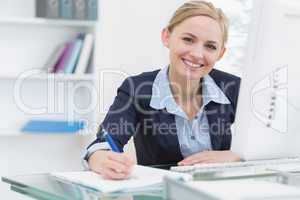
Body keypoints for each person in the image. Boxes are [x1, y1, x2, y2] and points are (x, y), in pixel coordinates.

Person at [84, 0, 241, 180]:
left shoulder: (234, 88)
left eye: (210, 46)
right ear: (167, 37)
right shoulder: (137, 89)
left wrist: (235, 156)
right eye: (188, 39)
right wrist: (103, 160)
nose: (197, 54)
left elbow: (265, 145)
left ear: (220, 53)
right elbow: (102, 144)